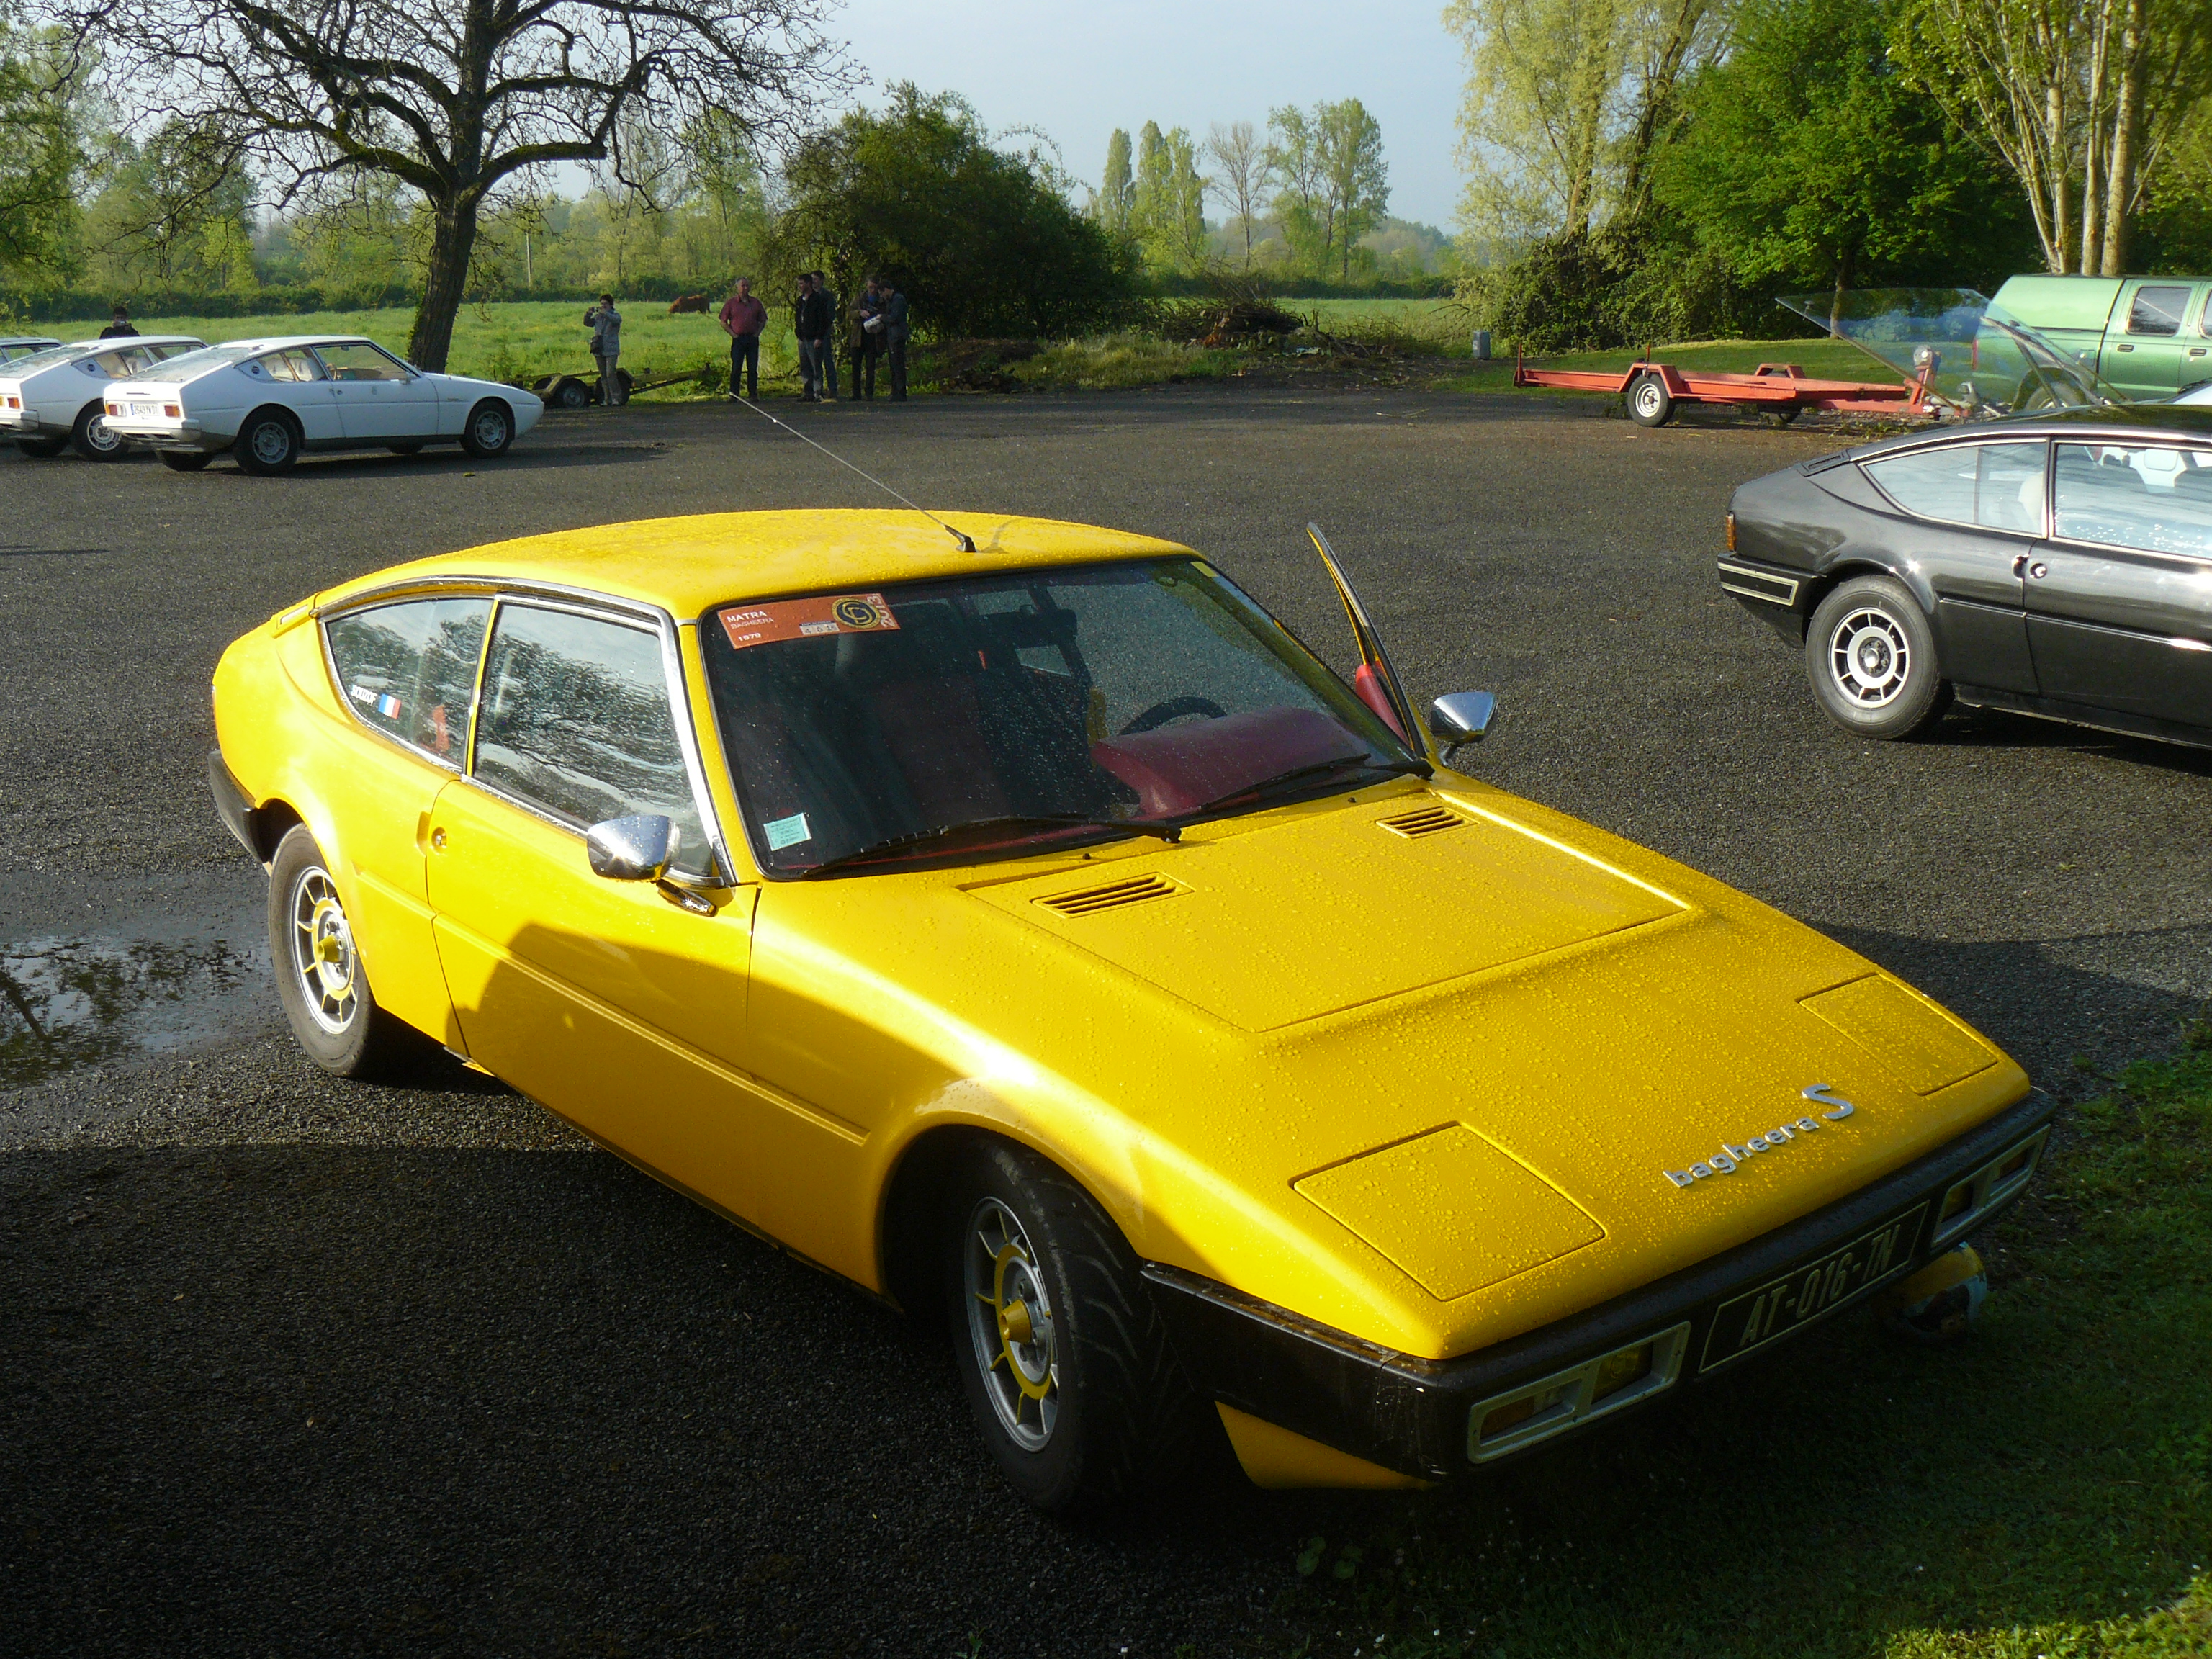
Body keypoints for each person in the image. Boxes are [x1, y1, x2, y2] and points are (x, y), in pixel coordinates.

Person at [719, 277, 765, 400]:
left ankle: (753, 394)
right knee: (736, 368)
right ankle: (734, 395)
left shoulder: (755, 302)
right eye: (743, 286)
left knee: (753, 368)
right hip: (738, 339)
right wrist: (733, 334)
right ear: (737, 288)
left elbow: (763, 320)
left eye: (747, 286)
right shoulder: (731, 303)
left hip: (752, 339)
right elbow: (723, 321)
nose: (745, 288)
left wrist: (757, 334)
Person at [876, 276, 910, 402]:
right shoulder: (891, 301)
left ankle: (901, 392)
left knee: (898, 365)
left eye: (882, 293)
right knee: (894, 365)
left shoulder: (898, 300)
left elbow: (894, 318)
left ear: (886, 290)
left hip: (898, 336)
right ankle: (895, 391)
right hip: (892, 336)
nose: (882, 296)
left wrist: (882, 318)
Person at [585, 294, 624, 405]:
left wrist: (605, 313)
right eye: (602, 304)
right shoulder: (598, 317)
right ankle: (607, 399)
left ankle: (617, 398)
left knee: (610, 373)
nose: (603, 306)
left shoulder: (615, 315)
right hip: (599, 348)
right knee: (603, 376)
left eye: (606, 304)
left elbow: (616, 321)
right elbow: (588, 323)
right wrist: (589, 313)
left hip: (611, 349)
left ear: (611, 305)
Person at [792, 273, 824, 402]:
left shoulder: (818, 300)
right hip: (802, 338)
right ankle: (808, 392)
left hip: (814, 338)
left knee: (815, 366)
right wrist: (798, 332)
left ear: (808, 284)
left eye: (801, 284)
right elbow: (798, 317)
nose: (800, 286)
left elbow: (823, 320)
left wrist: (819, 337)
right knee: (805, 366)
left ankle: (818, 392)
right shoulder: (800, 301)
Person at [854, 277, 884, 401]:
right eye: (870, 287)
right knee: (856, 366)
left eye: (875, 288)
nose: (873, 290)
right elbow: (848, 313)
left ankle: (869, 393)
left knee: (870, 366)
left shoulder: (881, 300)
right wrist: (859, 313)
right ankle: (856, 393)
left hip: (873, 336)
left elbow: (886, 314)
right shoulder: (859, 298)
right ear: (867, 286)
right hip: (858, 336)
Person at [811, 272, 840, 401]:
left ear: (822, 280)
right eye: (812, 279)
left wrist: (822, 330)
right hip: (812, 333)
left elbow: (830, 315)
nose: (814, 282)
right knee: (815, 363)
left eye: (816, 279)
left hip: (825, 333)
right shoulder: (809, 296)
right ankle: (817, 390)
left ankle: (832, 389)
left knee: (828, 361)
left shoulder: (827, 296)